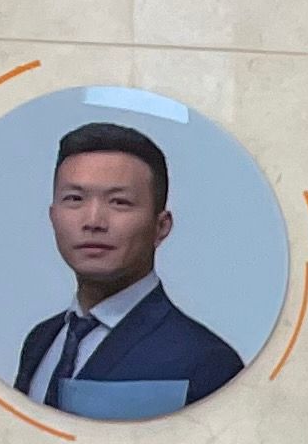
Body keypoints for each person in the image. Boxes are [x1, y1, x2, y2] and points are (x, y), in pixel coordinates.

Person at [16, 119, 248, 414]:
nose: (93, 221)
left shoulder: (206, 361)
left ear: (161, 227)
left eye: (119, 202)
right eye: (74, 199)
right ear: (53, 216)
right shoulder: (41, 340)